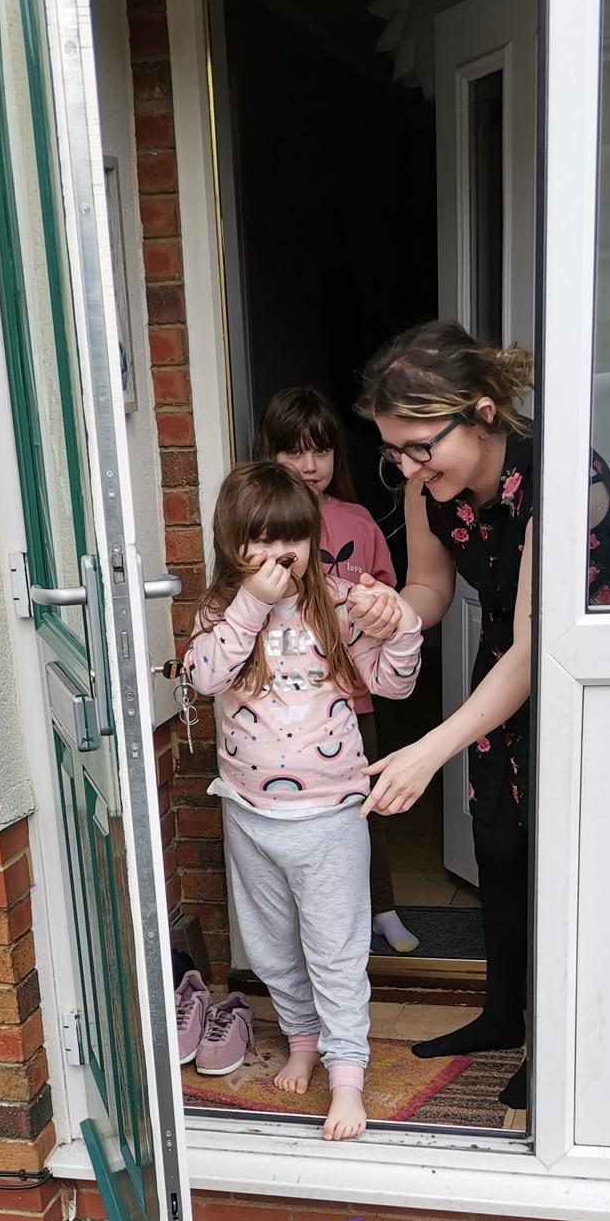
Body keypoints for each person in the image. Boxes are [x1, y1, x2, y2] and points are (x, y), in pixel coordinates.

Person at [356, 320, 610, 1110]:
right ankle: (501, 1016)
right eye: (393, 452)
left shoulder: (561, 482)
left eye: (419, 448)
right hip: (511, 660)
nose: (407, 468)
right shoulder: (426, 486)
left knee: (564, 859)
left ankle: (560, 1043)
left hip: (595, 674)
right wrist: (395, 612)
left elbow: (541, 648)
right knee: (496, 839)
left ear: (482, 413)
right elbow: (431, 586)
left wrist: (429, 750)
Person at [183, 462, 422, 1141]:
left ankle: (347, 1076)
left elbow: (394, 684)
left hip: (330, 817)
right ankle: (302, 1038)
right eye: (260, 540)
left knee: (335, 951)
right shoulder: (221, 613)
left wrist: (401, 626)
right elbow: (204, 677)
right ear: (232, 545)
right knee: (270, 948)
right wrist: (250, 604)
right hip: (250, 815)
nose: (279, 554)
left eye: (292, 537)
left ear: (313, 538)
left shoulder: (338, 603)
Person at [254, 386, 419, 956]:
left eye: (320, 450)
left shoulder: (357, 520)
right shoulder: (260, 525)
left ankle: (381, 907)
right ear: (270, 454)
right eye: (293, 451)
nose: (309, 465)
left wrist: (381, 614)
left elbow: (388, 598)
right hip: (288, 704)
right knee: (306, 826)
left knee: (365, 807)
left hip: (354, 696)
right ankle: (320, 929)